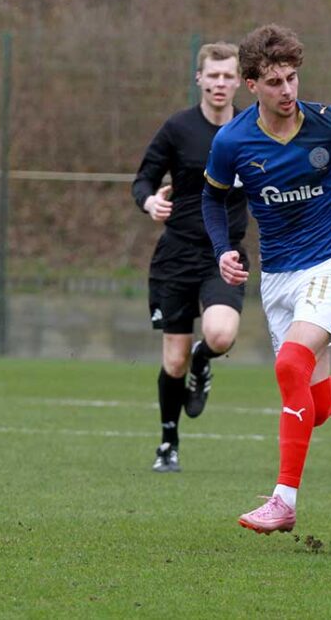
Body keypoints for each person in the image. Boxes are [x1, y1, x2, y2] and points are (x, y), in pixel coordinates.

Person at [201, 24, 331, 533]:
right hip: (277, 275)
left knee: (290, 364)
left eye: (292, 78)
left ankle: (283, 501)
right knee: (311, 406)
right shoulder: (233, 140)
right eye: (274, 82)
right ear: (251, 85)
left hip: (330, 263)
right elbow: (212, 197)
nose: (287, 90)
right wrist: (223, 250)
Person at [132, 41, 248, 473]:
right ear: (199, 78)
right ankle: (168, 444)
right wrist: (150, 203)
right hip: (177, 255)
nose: (220, 83)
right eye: (212, 75)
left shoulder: (252, 130)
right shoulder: (178, 128)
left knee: (220, 336)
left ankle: (205, 360)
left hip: (225, 254)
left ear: (240, 82)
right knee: (173, 359)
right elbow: (143, 180)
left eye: (228, 75)